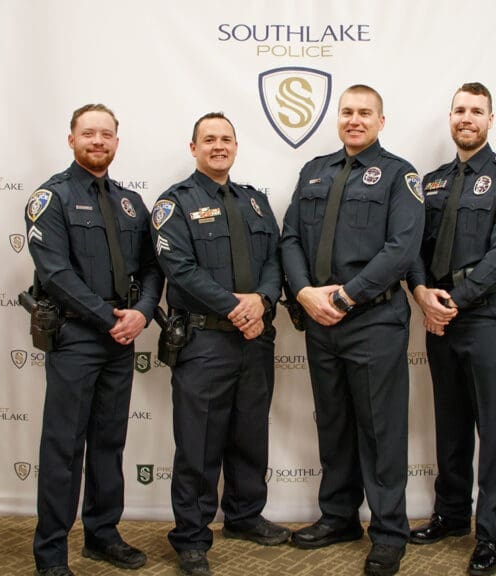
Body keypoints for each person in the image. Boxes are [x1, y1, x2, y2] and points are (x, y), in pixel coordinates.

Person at [280, 84, 424, 576]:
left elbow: (402, 248)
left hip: (373, 320)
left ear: (381, 121)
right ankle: (339, 516)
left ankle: (388, 531)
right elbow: (292, 238)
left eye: (365, 113)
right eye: (347, 112)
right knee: (334, 423)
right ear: (336, 118)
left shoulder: (400, 175)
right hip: (320, 320)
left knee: (381, 430)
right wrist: (303, 292)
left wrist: (346, 295)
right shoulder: (314, 171)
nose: (354, 120)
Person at [25, 103, 164, 576]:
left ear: (117, 142)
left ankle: (102, 536)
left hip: (121, 339)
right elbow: (57, 274)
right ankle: (50, 554)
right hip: (76, 338)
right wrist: (110, 317)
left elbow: (151, 267)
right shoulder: (52, 198)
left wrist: (142, 314)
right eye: (89, 133)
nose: (98, 141)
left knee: (109, 443)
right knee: (64, 447)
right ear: (71, 139)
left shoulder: (130, 202)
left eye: (106, 134)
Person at [152, 112, 287, 576]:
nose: (218, 146)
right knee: (198, 442)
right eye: (208, 139)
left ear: (235, 146)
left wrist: (263, 301)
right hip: (204, 339)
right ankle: (191, 536)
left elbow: (276, 260)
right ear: (193, 148)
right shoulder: (175, 204)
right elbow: (180, 269)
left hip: (255, 338)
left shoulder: (255, 202)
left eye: (226, 139)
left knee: (251, 432)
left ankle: (245, 515)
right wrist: (236, 306)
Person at [406, 82, 496, 576]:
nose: (466, 118)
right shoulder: (431, 182)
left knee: (493, 428)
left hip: (485, 317)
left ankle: (493, 532)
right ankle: (452, 513)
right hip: (438, 313)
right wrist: (421, 293)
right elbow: (411, 245)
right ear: (450, 117)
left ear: (490, 120)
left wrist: (453, 301)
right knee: (451, 422)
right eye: (459, 110)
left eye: (476, 111)